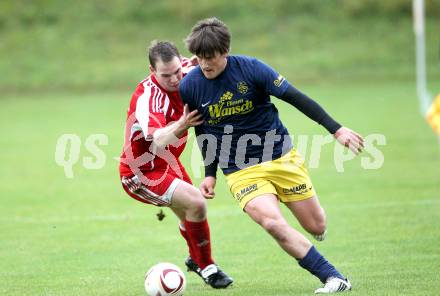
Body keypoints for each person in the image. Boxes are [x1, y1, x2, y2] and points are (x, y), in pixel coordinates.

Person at [179, 18, 364, 294]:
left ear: (225, 52)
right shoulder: (190, 86)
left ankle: (316, 229)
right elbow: (204, 131)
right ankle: (334, 278)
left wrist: (335, 129)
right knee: (272, 223)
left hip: (280, 157)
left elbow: (296, 98)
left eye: (211, 58)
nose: (205, 64)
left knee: (316, 225)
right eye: (200, 58)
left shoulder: (252, 69)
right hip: (240, 169)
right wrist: (209, 174)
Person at [119, 40, 233, 289]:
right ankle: (208, 267)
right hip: (142, 171)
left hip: (169, 163)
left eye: (177, 72)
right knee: (195, 203)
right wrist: (183, 124)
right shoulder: (149, 96)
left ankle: (197, 261)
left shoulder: (187, 69)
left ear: (180, 61)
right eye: (166, 75)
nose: (174, 79)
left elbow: (216, 67)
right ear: (152, 71)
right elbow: (158, 139)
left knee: (191, 212)